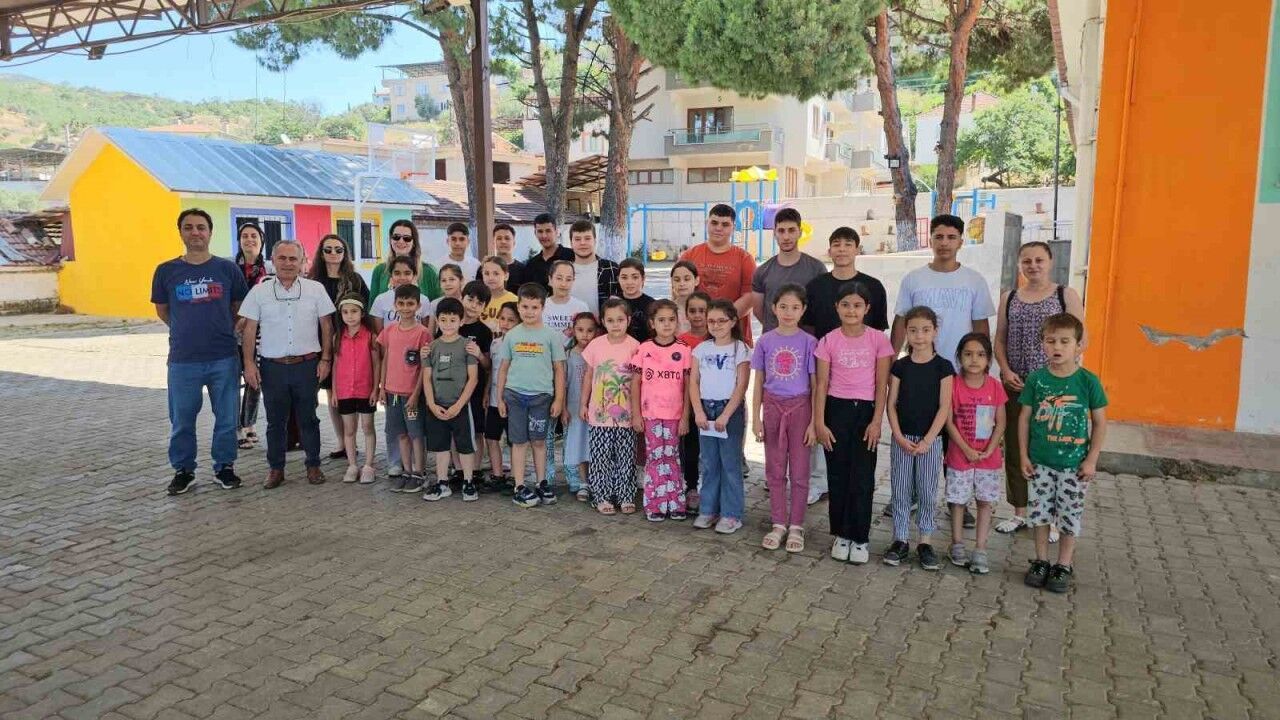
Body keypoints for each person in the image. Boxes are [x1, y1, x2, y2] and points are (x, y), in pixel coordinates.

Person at [152, 208, 250, 496]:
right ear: (180, 232)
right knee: (182, 419)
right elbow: (163, 310)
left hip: (224, 357)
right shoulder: (166, 271)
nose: (195, 232)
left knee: (227, 418)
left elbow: (239, 309)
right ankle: (183, 470)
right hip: (183, 360)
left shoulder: (227, 269)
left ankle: (224, 467)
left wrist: (222, 328)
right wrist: (186, 330)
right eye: (189, 227)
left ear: (210, 232)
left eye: (201, 227)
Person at [993, 241, 1085, 536]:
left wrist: (1058, 374)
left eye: (1039, 260)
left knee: (1051, 449)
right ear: (1020, 264)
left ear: (1049, 262)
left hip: (1053, 387)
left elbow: (1081, 340)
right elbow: (1000, 339)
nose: (1033, 266)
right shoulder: (1009, 298)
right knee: (1015, 447)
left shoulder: (1065, 295)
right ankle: (1020, 512)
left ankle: (1053, 518)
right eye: (1027, 261)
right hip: (1016, 385)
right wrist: (1005, 370)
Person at [1019, 313, 1108, 594]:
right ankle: (1041, 561)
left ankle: (1063, 564)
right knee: (1039, 514)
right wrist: (1023, 455)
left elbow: (1100, 422)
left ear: (1079, 346)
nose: (1057, 347)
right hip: (1040, 463)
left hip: (1074, 466)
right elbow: (1024, 419)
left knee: (1069, 516)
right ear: (1042, 344)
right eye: (1050, 341)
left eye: (1065, 341)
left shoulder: (1088, 382)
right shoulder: (1036, 380)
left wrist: (1092, 459)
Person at [802, 226, 888, 506]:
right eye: (836, 244)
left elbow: (878, 334)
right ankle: (819, 483)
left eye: (848, 244)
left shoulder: (873, 287)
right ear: (829, 250)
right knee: (823, 429)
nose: (841, 249)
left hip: (861, 380)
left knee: (859, 453)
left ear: (857, 249)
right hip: (825, 369)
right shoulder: (815, 286)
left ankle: (858, 496)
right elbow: (808, 328)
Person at [240, 239, 335, 488]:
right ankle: (276, 469)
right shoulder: (259, 292)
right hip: (273, 367)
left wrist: (326, 359)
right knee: (275, 421)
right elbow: (249, 329)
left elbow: (327, 326)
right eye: (282, 258)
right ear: (273, 260)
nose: (288, 263)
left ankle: (313, 465)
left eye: (294, 258)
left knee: (309, 419)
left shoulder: (315, 289)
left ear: (302, 262)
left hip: (307, 365)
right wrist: (249, 364)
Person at [814, 282, 893, 565]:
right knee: (838, 475)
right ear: (837, 307)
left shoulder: (878, 340)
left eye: (857, 305)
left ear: (867, 308)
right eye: (846, 305)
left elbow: (882, 385)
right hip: (836, 411)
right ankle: (841, 534)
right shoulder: (828, 341)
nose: (851, 310)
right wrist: (820, 422)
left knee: (862, 478)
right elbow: (821, 384)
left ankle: (860, 537)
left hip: (865, 414)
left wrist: (876, 422)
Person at [884, 306, 955, 571]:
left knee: (927, 490)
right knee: (901, 490)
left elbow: (944, 407)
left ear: (935, 331)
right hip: (902, 439)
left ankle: (925, 541)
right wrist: (898, 436)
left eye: (925, 330)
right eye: (913, 330)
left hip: (930, 441)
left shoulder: (943, 367)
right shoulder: (900, 366)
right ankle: (900, 539)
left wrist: (928, 440)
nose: (919, 336)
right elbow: (891, 404)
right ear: (906, 332)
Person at [751, 284, 817, 553]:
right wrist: (756, 418)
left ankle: (797, 525)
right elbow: (758, 381)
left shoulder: (809, 342)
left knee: (800, 472)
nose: (789, 312)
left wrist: (814, 422)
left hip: (801, 409)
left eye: (795, 307)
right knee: (775, 471)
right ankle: (778, 522)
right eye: (783, 307)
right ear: (773, 308)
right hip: (773, 409)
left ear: (803, 310)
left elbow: (816, 384)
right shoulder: (765, 341)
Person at [495, 283, 567, 509]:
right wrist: (500, 398)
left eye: (534, 307)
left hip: (541, 398)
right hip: (515, 396)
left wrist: (559, 399)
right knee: (518, 442)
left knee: (538, 441)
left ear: (542, 308)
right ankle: (519, 486)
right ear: (519, 306)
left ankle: (541, 482)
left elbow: (559, 370)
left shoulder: (551, 336)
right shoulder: (512, 335)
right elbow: (503, 368)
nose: (529, 311)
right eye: (525, 306)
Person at [944, 333, 1008, 575]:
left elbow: (1001, 422)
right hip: (960, 456)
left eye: (980, 355)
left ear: (989, 359)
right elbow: (948, 422)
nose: (974, 359)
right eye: (968, 354)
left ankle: (980, 549)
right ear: (959, 357)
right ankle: (957, 543)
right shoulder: (953, 384)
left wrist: (990, 449)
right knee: (958, 501)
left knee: (984, 502)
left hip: (988, 460)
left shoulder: (995, 386)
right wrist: (966, 449)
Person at [690, 300, 751, 535]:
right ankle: (708, 509)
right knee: (709, 462)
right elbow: (693, 382)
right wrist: (698, 411)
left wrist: (726, 414)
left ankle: (731, 513)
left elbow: (741, 385)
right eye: (711, 321)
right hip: (706, 409)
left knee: (730, 464)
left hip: (729, 411)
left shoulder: (740, 349)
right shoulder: (701, 349)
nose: (716, 325)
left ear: (733, 321)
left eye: (722, 321)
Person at [309, 234, 371, 462]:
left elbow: (366, 308)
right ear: (321, 253)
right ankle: (342, 441)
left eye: (338, 249)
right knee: (332, 392)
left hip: (351, 341)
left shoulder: (354, 279)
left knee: (353, 390)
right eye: (328, 249)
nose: (333, 253)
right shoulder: (313, 281)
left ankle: (353, 439)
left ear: (345, 253)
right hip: (321, 341)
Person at [630, 300, 691, 522]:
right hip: (651, 415)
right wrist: (636, 414)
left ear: (677, 322)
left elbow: (688, 387)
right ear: (652, 323)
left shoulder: (684, 350)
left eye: (671, 320)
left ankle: (675, 503)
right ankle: (654, 504)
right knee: (655, 458)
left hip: (675, 416)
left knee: (672, 457)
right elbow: (635, 383)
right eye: (661, 320)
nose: (667, 324)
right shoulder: (644, 349)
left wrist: (685, 417)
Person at [581, 298, 641, 515]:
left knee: (626, 457)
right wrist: (583, 403)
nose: (615, 324)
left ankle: (625, 495)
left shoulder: (636, 347)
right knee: (600, 458)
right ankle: (601, 496)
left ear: (628, 320)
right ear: (603, 322)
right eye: (610, 320)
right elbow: (589, 376)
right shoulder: (595, 345)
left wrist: (639, 412)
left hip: (627, 415)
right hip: (599, 415)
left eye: (620, 320)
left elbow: (639, 381)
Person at [422, 297, 481, 502]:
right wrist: (431, 404)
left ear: (461, 321)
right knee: (441, 447)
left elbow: (473, 378)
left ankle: (468, 482)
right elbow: (426, 378)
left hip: (461, 406)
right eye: (443, 320)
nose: (448, 324)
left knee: (465, 445)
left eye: (453, 320)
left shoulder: (467, 346)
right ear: (437, 321)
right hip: (437, 406)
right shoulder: (431, 347)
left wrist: (459, 405)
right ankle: (442, 482)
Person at [376, 284, 431, 493]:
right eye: (401, 303)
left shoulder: (423, 333)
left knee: (416, 434)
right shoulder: (390, 330)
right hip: (392, 393)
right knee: (400, 434)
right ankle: (407, 471)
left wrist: (416, 394)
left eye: (410, 304)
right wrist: (382, 387)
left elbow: (424, 366)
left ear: (418, 306)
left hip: (411, 394)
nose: (406, 308)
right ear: (395, 305)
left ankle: (420, 473)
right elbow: (386, 358)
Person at [679, 204, 756, 344]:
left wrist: (720, 321)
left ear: (733, 227)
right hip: (696, 336)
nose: (719, 228)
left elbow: (750, 297)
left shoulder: (744, 259)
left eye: (725, 224)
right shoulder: (689, 256)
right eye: (714, 223)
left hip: (733, 336)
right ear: (707, 223)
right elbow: (679, 292)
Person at [330, 296, 380, 485]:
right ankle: (352, 465)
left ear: (362, 313)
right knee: (349, 429)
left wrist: (375, 389)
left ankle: (368, 465)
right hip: (344, 390)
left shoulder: (370, 336)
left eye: (354, 311)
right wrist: (335, 391)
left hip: (365, 389)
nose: (350, 316)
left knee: (368, 427)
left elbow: (376, 364)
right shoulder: (337, 337)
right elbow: (335, 365)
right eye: (345, 312)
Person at [751, 208, 826, 334]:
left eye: (791, 230)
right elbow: (758, 311)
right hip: (773, 342)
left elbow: (822, 309)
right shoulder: (762, 271)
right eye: (781, 231)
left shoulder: (817, 269)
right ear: (774, 233)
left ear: (800, 233)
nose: (786, 237)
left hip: (807, 341)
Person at [232, 222, 273, 450]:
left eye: (254, 236)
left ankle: (249, 424)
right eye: (245, 236)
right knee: (232, 381)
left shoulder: (269, 269)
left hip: (261, 334)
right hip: (234, 331)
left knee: (255, 379)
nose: (249, 240)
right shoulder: (230, 268)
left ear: (261, 240)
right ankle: (235, 428)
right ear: (239, 241)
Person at [458, 281, 495, 488]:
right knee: (455, 429)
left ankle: (476, 468)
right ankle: (458, 469)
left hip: (476, 388)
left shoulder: (484, 331)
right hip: (453, 388)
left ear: (484, 307)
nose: (473, 305)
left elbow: (489, 365)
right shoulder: (451, 323)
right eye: (470, 299)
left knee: (477, 430)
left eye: (479, 303)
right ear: (462, 298)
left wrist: (479, 354)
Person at [677, 291, 711, 512]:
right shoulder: (681, 341)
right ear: (686, 314)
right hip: (688, 402)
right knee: (690, 448)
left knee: (710, 450)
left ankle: (710, 488)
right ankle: (691, 487)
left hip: (713, 402)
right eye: (693, 311)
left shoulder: (717, 339)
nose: (697, 315)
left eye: (702, 310)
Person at [563, 312, 600, 502]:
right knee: (580, 444)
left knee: (595, 445)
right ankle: (584, 483)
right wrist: (563, 408)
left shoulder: (600, 352)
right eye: (580, 330)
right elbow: (563, 384)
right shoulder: (568, 355)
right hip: (575, 409)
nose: (585, 335)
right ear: (573, 331)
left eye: (590, 330)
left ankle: (597, 481)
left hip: (597, 410)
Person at [485, 301, 518, 492]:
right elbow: (492, 370)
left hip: (513, 400)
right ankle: (497, 474)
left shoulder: (520, 345)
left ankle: (515, 476)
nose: (505, 323)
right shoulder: (495, 343)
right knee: (491, 437)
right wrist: (486, 392)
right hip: (494, 400)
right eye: (502, 318)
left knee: (514, 440)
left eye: (511, 320)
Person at [370, 220, 442, 300]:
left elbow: (438, 304)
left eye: (407, 238)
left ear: (414, 242)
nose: (401, 241)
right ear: (390, 240)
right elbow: (372, 304)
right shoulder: (379, 270)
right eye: (396, 237)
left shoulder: (429, 272)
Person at [568, 220, 621, 315]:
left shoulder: (612, 269)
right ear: (571, 243)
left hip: (603, 324)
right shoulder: (562, 271)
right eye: (577, 239)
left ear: (595, 241)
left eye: (587, 238)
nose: (582, 243)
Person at [369, 257, 432, 331]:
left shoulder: (423, 300)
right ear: (391, 276)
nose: (402, 278)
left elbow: (426, 330)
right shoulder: (380, 299)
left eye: (407, 273)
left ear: (414, 276)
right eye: (397, 273)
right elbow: (379, 332)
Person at [524, 212, 575, 292]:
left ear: (556, 231)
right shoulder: (531, 265)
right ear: (535, 233)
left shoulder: (572, 256)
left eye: (548, 231)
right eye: (540, 231)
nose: (544, 236)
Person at [542, 261, 590, 340]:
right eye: (559, 278)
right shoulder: (540, 306)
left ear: (573, 281)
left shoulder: (581, 307)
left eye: (568, 279)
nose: (563, 284)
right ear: (550, 279)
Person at [476, 223, 526, 291]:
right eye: (499, 238)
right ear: (494, 242)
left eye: (507, 238)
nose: (503, 242)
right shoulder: (484, 268)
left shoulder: (523, 270)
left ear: (514, 242)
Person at [617, 258, 654, 343]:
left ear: (643, 278)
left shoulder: (652, 304)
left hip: (645, 349)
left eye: (635, 277)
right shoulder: (613, 302)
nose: (629, 282)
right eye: (624, 277)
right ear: (618, 278)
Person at [480, 256, 519, 333]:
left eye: (496, 274)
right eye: (486, 273)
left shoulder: (515, 301)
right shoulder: (477, 300)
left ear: (506, 276)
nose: (491, 278)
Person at [426, 263, 466, 334]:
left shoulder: (467, 303)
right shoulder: (435, 304)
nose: (447, 283)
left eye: (452, 279)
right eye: (443, 280)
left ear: (461, 280)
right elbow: (430, 333)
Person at [670, 260, 699, 333]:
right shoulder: (667, 309)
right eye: (677, 280)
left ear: (696, 281)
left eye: (687, 279)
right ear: (672, 282)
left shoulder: (706, 308)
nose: (682, 284)